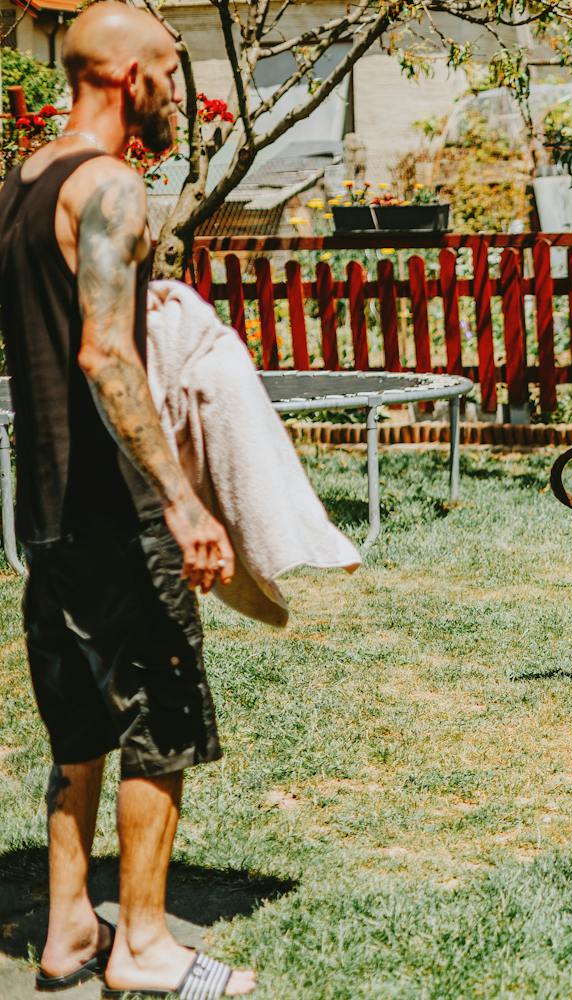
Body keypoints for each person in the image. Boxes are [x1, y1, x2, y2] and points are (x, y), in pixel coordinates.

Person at [0, 3, 254, 995]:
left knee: (78, 721)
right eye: (168, 71)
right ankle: (143, 946)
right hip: (116, 507)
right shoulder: (110, 186)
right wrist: (182, 503)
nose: (177, 93)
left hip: (45, 507)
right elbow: (104, 353)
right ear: (123, 77)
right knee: (161, 711)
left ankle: (69, 928)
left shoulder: (24, 184)